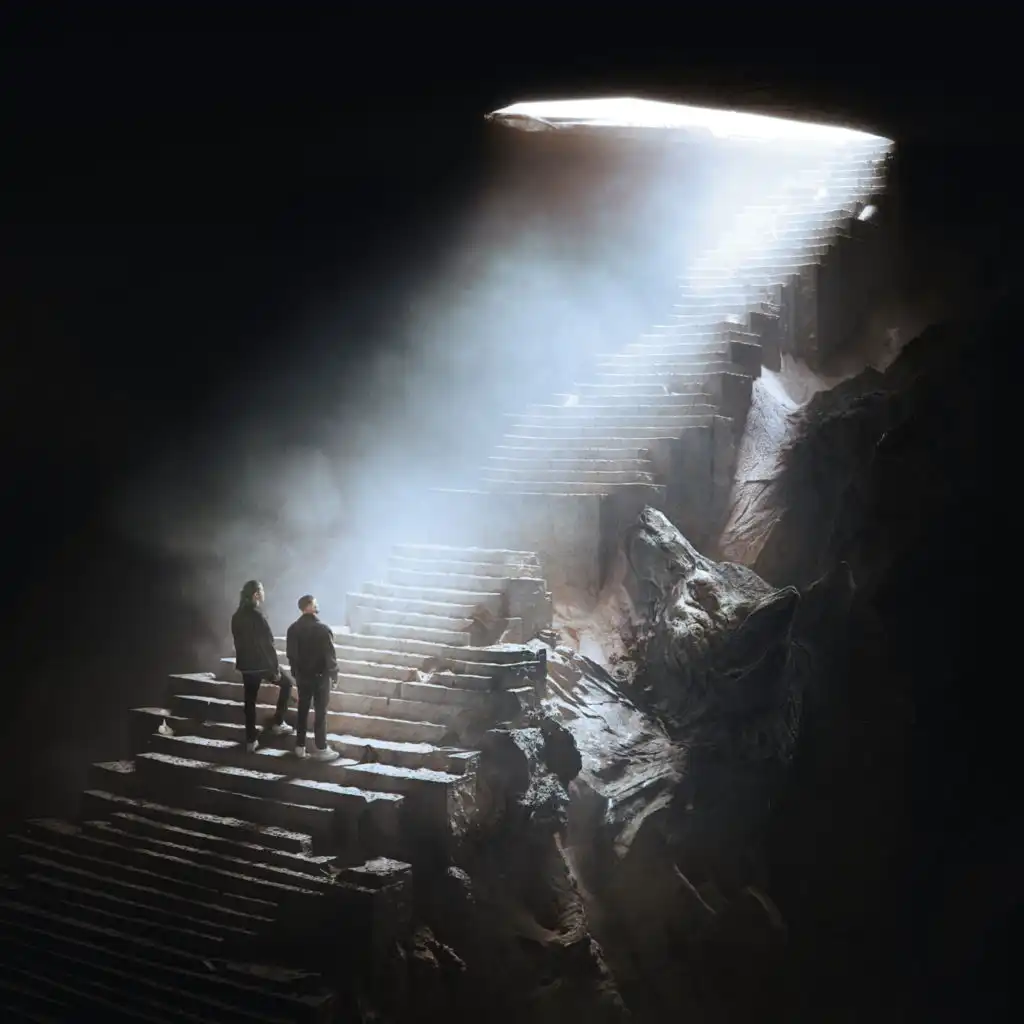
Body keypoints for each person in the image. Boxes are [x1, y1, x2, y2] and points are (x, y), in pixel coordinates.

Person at [230, 580, 295, 753]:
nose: (264, 593)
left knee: (249, 701)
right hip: (261, 664)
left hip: (246, 666)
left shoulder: (236, 616)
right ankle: (278, 722)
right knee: (287, 683)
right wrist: (274, 668)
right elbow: (267, 644)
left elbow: (237, 641)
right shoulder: (257, 616)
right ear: (256, 595)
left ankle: (250, 740)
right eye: (262, 590)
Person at [285, 594, 340, 761]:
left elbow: (291, 655)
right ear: (309, 606)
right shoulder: (323, 629)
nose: (317, 605)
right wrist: (334, 674)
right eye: (315, 603)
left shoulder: (293, 629)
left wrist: (296, 673)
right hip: (320, 677)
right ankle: (321, 747)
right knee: (320, 712)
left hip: (302, 677)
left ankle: (300, 746)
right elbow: (330, 655)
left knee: (302, 710)